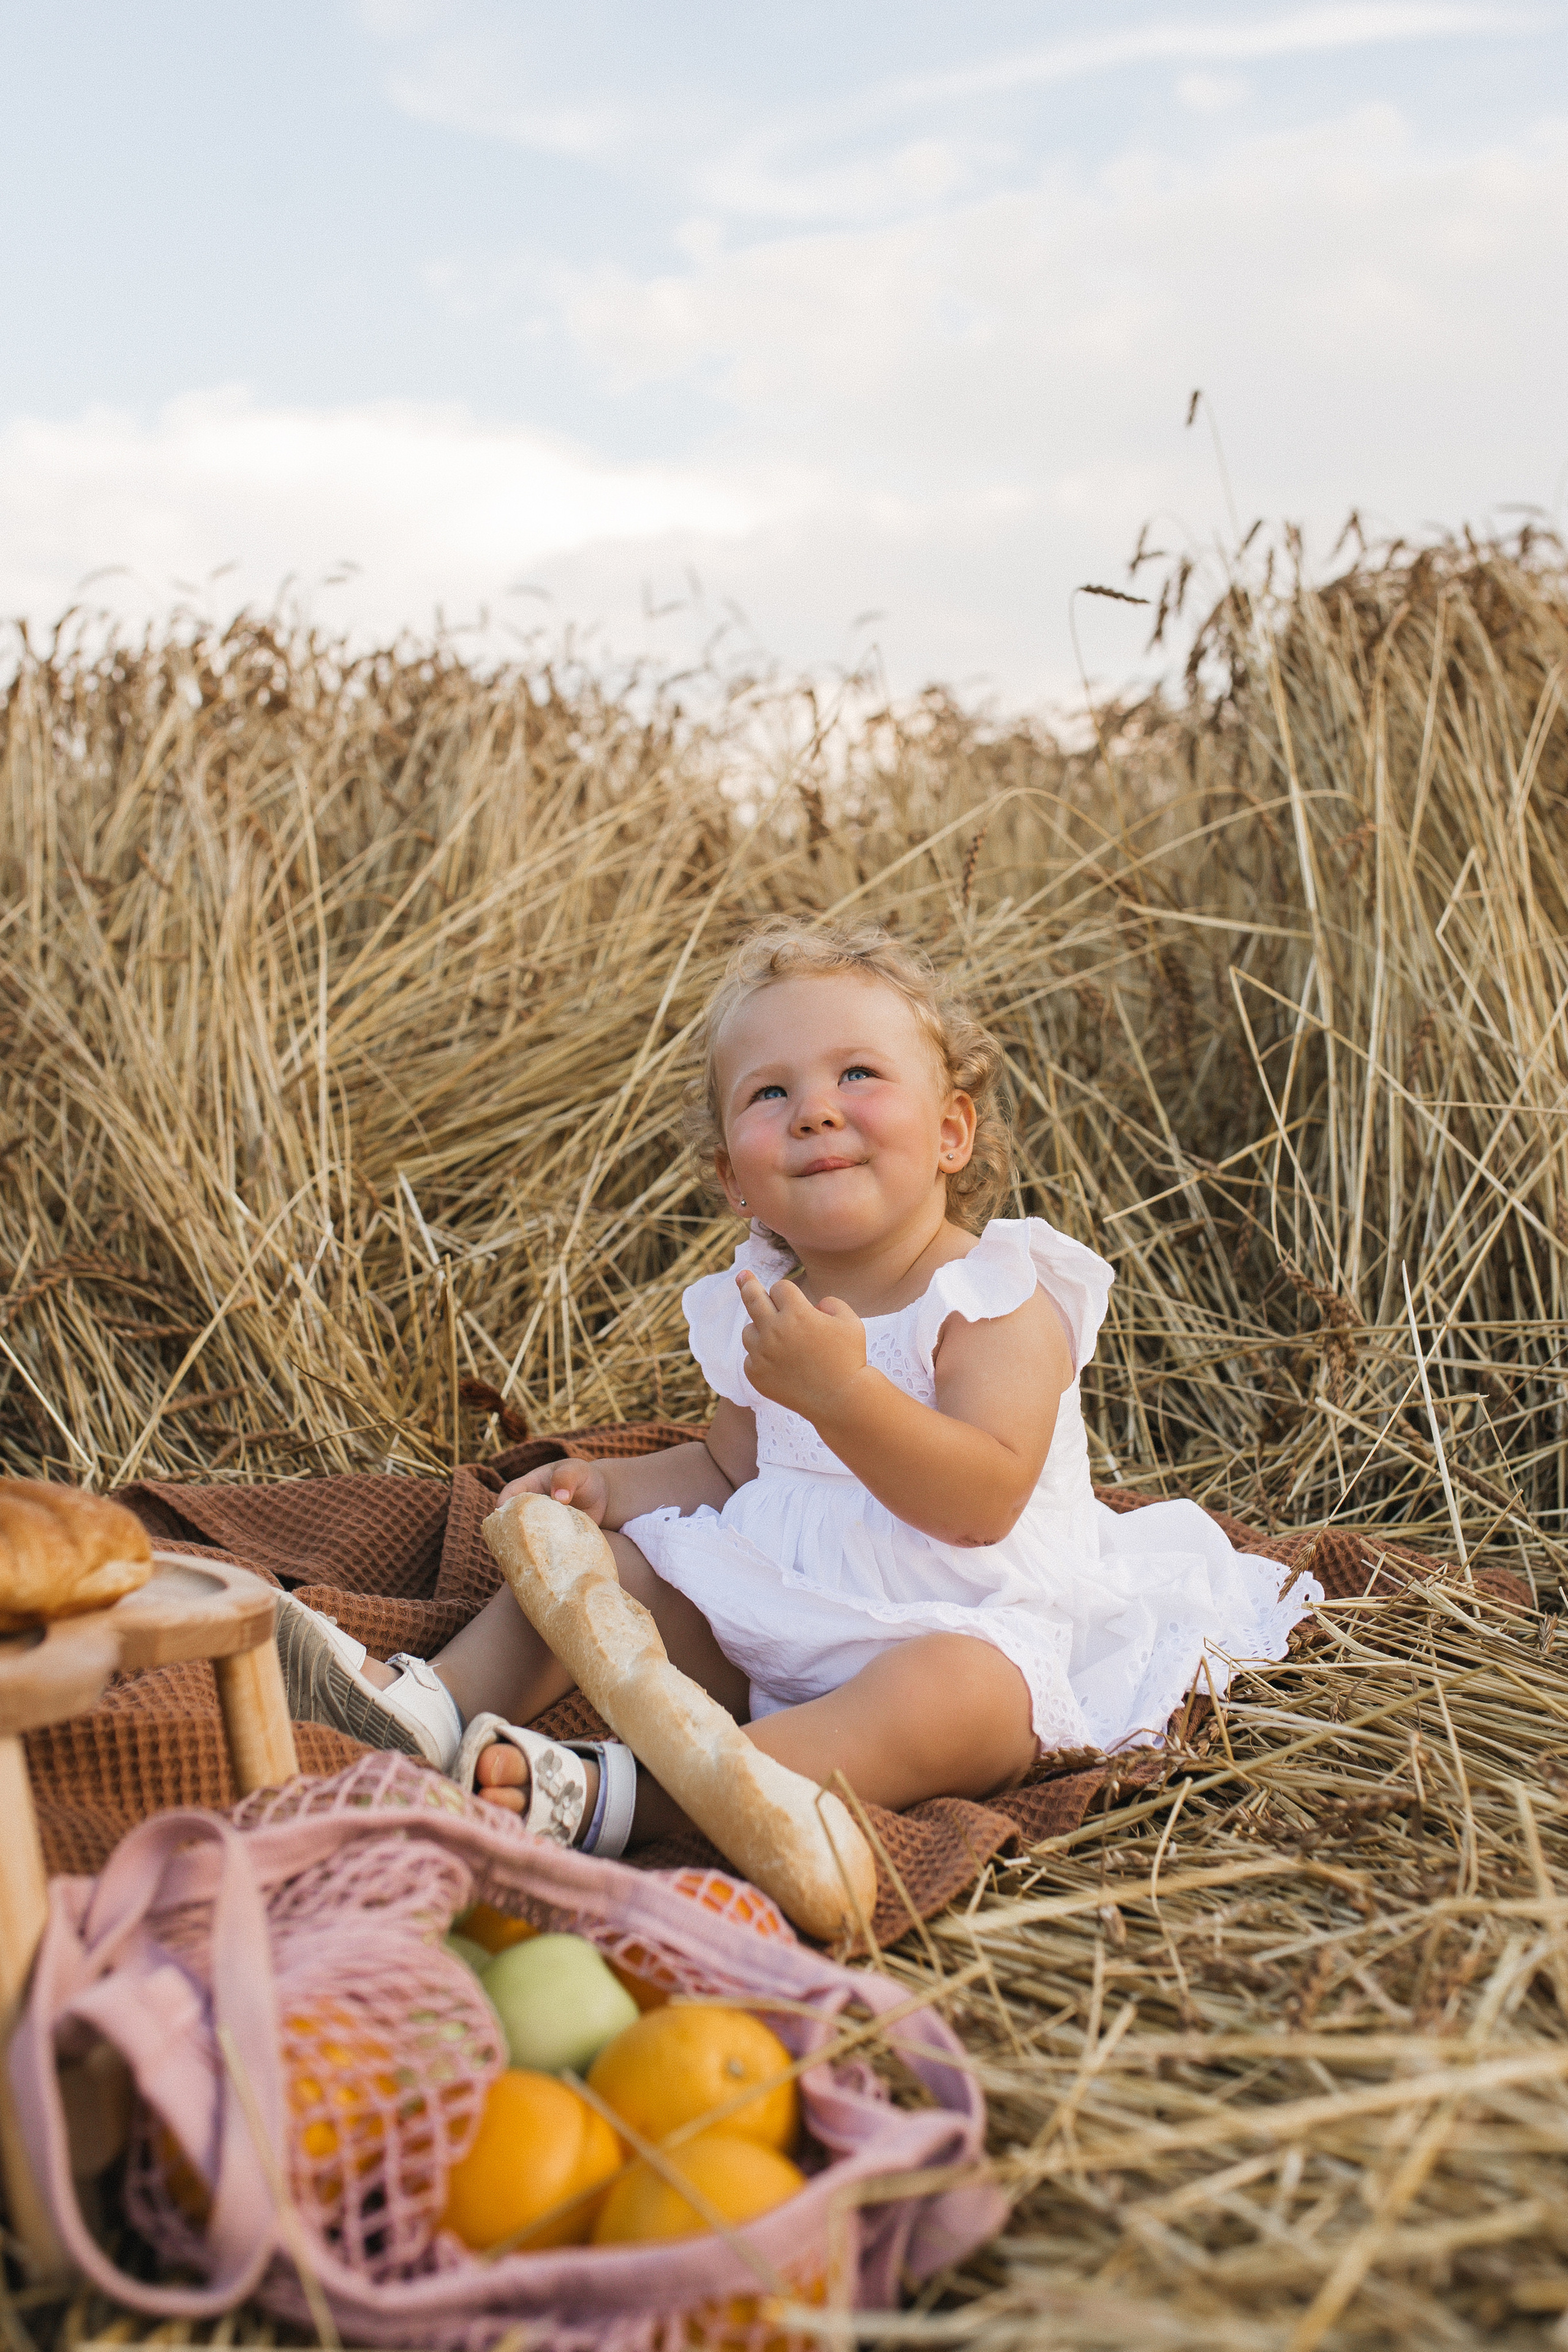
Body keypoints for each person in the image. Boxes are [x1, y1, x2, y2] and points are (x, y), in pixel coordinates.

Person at [277, 919, 1319, 1856]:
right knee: (596, 1564)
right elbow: (732, 1466)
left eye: (859, 1074)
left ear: (952, 1131)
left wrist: (844, 1395)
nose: (817, 1110)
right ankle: (426, 1708)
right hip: (780, 1613)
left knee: (956, 1697)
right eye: (770, 1093)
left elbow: (981, 1501)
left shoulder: (994, 1295)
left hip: (968, 1621)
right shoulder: (763, 1303)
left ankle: (640, 1794)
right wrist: (605, 1490)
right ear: (735, 1175)